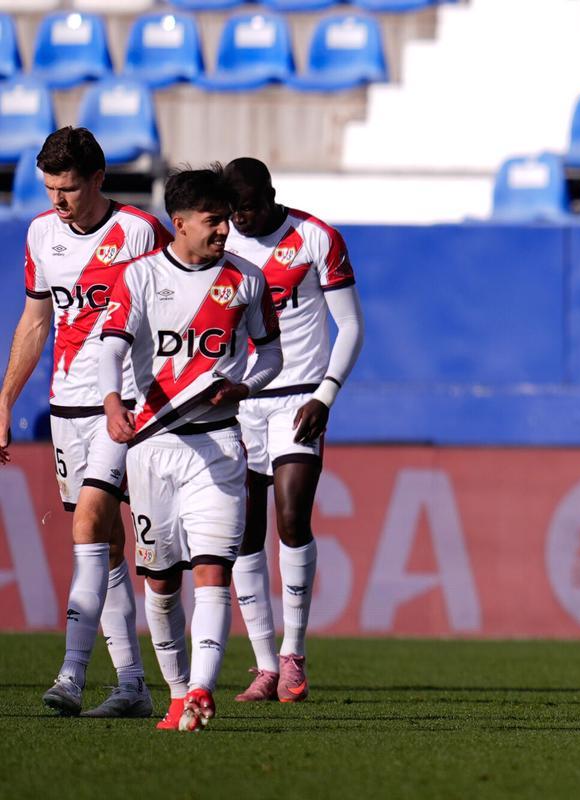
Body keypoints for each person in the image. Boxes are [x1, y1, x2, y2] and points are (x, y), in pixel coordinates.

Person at [98, 166, 282, 732]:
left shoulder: (247, 280)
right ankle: (178, 693)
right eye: (213, 220)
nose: (225, 230)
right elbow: (112, 347)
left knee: (212, 571)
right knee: (159, 580)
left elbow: (271, 355)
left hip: (221, 444)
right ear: (178, 223)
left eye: (227, 220)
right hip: (153, 446)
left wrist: (245, 386)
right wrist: (111, 402)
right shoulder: (140, 277)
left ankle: (201, 690)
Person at [0, 127, 171, 717]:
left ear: (98, 179)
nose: (57, 200)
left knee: (90, 526)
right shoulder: (41, 233)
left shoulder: (139, 232)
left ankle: (71, 674)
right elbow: (35, 321)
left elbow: (178, 298)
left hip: (123, 406)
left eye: (68, 188)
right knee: (108, 543)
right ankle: (132, 685)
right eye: (50, 188)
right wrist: (4, 401)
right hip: (67, 407)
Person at [219, 157, 364, 703]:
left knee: (291, 516)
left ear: (272, 194)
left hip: (300, 398)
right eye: (234, 210)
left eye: (251, 206)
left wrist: (326, 392)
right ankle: (263, 665)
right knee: (243, 532)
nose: (242, 218)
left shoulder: (315, 238)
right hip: (240, 401)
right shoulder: (220, 243)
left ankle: (294, 652)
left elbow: (350, 324)